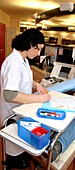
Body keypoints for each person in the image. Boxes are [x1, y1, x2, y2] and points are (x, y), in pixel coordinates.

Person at [0, 28, 51, 169]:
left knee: (21, 142)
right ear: (29, 44)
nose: (38, 53)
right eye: (37, 49)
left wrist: (36, 85)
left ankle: (21, 158)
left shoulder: (23, 60)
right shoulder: (14, 63)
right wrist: (38, 99)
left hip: (19, 110)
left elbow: (24, 79)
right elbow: (9, 94)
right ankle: (12, 163)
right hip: (10, 112)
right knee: (14, 147)